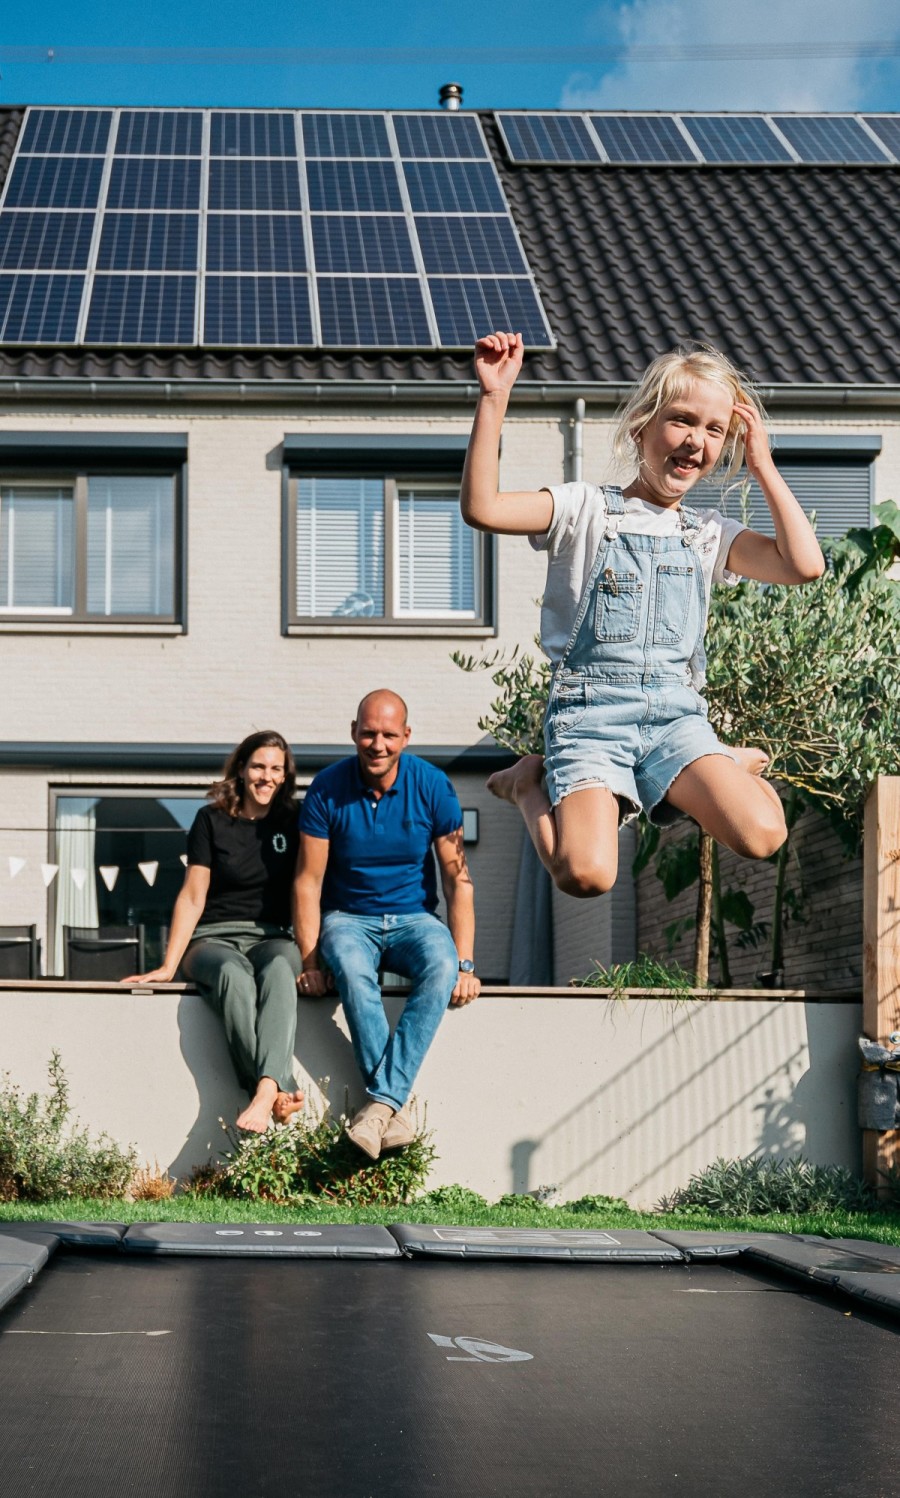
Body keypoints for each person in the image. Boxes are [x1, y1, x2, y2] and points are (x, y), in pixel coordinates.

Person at [460, 332, 825, 897]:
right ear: (641, 426)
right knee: (585, 875)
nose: (696, 440)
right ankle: (527, 784)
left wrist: (763, 465)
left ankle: (720, 759)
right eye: (682, 421)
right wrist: (494, 397)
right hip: (592, 718)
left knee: (764, 835)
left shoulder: (707, 534)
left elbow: (804, 565)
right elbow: (482, 508)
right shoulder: (583, 509)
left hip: (676, 719)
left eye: (715, 430)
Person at [293, 689, 479, 1161]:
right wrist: (311, 962)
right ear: (353, 732)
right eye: (369, 733)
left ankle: (378, 1110)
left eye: (389, 735)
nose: (378, 745)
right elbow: (308, 883)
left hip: (415, 918)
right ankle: (392, 1109)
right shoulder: (327, 788)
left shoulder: (433, 786)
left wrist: (465, 964)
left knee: (441, 966)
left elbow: (458, 881)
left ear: (406, 736)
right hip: (348, 918)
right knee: (352, 969)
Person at [125, 730, 304, 1133]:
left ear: (285, 775)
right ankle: (274, 1089)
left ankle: (263, 1092)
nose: (266, 776)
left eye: (276, 769)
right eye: (258, 766)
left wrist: (313, 960)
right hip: (213, 938)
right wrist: (168, 965)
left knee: (280, 969)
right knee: (232, 975)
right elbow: (192, 896)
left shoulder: (294, 820)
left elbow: (310, 888)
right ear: (241, 769)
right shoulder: (211, 819)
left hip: (273, 937)